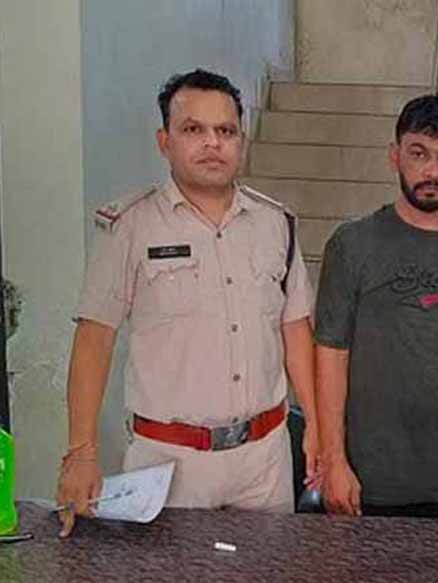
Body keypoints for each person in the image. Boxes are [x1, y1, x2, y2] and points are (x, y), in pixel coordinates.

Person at [57, 69, 318, 536]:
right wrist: (81, 452)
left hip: (264, 462)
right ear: (165, 141)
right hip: (169, 465)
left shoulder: (275, 224)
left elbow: (295, 329)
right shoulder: (131, 226)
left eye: (226, 131)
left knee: (267, 581)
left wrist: (316, 425)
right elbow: (95, 337)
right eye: (193, 129)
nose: (212, 143)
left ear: (241, 141)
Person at [314, 95, 438, 520]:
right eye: (419, 154)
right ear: (395, 156)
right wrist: (333, 459)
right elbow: (330, 353)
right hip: (374, 477)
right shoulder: (353, 244)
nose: (433, 171)